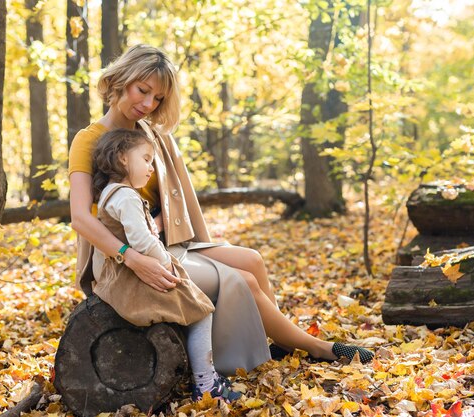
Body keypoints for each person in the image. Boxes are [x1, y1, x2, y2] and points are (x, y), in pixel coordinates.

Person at [68, 44, 374, 376]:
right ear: (121, 79)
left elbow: (160, 204)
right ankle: (315, 348)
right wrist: (132, 256)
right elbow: (81, 217)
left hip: (162, 242)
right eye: (142, 90)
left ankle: (284, 343)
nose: (148, 104)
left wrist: (157, 223)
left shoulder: (151, 136)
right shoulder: (89, 139)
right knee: (241, 281)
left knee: (252, 260)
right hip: (123, 260)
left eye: (157, 98)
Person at [89, 128, 240, 401]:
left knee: (195, 305)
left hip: (125, 276)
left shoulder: (112, 194)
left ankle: (205, 375)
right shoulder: (125, 196)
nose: (150, 168)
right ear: (122, 158)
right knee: (202, 309)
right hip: (135, 280)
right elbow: (142, 240)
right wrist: (166, 263)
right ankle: (206, 383)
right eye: (146, 159)